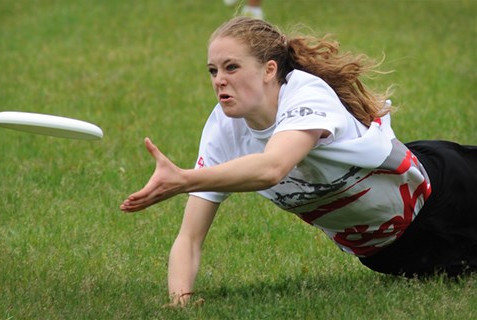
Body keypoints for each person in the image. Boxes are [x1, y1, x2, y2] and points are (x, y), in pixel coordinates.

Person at [120, 17, 477, 307]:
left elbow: (273, 167)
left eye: (231, 67)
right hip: (389, 257)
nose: (219, 80)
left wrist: (186, 179)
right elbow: (190, 237)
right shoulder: (222, 131)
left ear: (269, 70)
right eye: (212, 71)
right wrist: (180, 301)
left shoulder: (306, 94)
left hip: (450, 196)